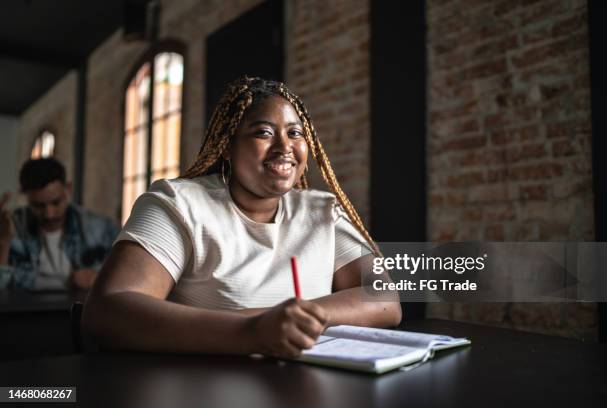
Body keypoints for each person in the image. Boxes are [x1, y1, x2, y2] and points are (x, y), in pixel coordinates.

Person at [83, 76, 401, 358]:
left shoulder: (323, 210)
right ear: (227, 145)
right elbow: (108, 310)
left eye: (295, 133)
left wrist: (289, 322)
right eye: (263, 132)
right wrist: (253, 331)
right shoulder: (177, 203)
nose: (285, 147)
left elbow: (385, 299)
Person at [0, 158, 119, 291]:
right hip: (24, 311)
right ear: (25, 196)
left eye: (56, 202)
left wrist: (97, 278)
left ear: (68, 189)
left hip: (84, 310)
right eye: (38, 206)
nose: (49, 214)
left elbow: (127, 277)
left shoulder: (100, 229)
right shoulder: (11, 227)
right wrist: (3, 243)